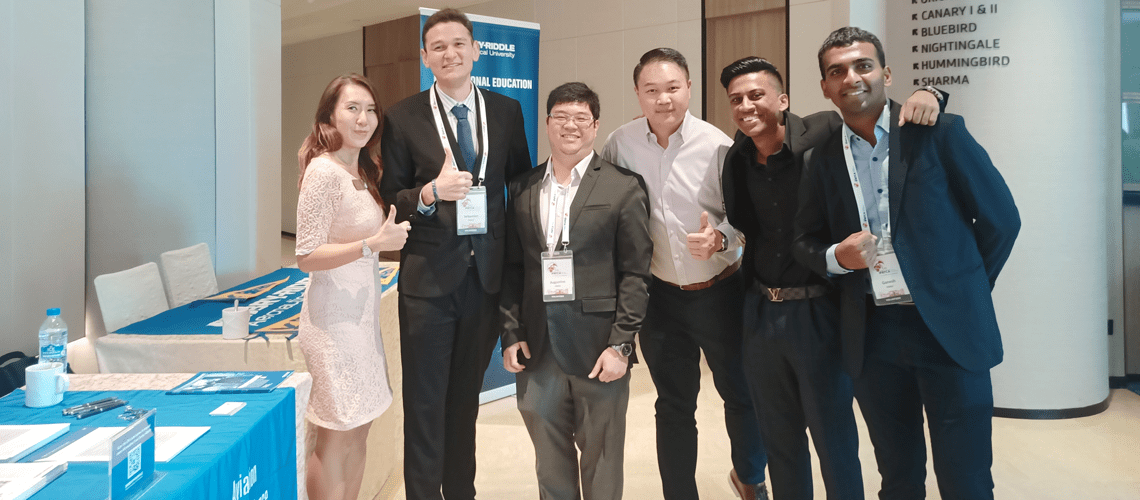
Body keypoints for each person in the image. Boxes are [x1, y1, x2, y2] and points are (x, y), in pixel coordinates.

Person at [793, 27, 1020, 500]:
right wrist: (836, 257)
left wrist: (962, 287)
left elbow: (1001, 221)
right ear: (825, 87)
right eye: (837, 71)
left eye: (862, 65)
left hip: (948, 332)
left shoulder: (938, 134)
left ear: (886, 74)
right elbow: (803, 241)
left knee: (967, 479)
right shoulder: (821, 157)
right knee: (897, 478)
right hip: (873, 335)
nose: (850, 77)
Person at [719, 57, 944, 500]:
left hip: (820, 309)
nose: (746, 106)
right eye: (736, 99)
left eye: (757, 95)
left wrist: (931, 94)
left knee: (834, 439)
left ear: (783, 100)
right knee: (780, 440)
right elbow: (744, 227)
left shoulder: (824, 132)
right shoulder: (737, 156)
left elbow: (875, 113)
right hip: (762, 312)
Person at [378, 8, 532, 500]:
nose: (450, 53)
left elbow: (521, 186)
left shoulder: (506, 111)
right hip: (427, 283)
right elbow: (390, 197)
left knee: (465, 403)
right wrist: (428, 193)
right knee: (425, 403)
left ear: (475, 50)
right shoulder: (402, 117)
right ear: (425, 57)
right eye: (438, 46)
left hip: (484, 281)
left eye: (458, 44)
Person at [601, 47, 767, 500]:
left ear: (689, 87)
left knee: (740, 391)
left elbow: (744, 217)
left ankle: (750, 477)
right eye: (651, 90)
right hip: (660, 298)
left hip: (720, 291)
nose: (663, 99)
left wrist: (720, 238)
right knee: (673, 404)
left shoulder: (718, 145)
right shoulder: (620, 143)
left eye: (673, 88)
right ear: (637, 93)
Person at [500, 82, 652, 500]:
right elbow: (513, 267)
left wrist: (621, 345)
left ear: (595, 125)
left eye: (581, 118)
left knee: (602, 460)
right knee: (548, 461)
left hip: (598, 347)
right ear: (547, 124)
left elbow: (636, 275)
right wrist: (511, 332)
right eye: (561, 117)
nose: (571, 126)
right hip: (538, 348)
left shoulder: (623, 186)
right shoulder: (521, 188)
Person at [294, 73, 411, 500]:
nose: (364, 118)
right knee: (336, 434)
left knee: (360, 428)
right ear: (329, 115)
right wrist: (371, 245)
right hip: (332, 325)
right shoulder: (324, 172)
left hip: (361, 321)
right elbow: (305, 254)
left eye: (371, 109)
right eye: (352, 108)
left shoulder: (361, 169)